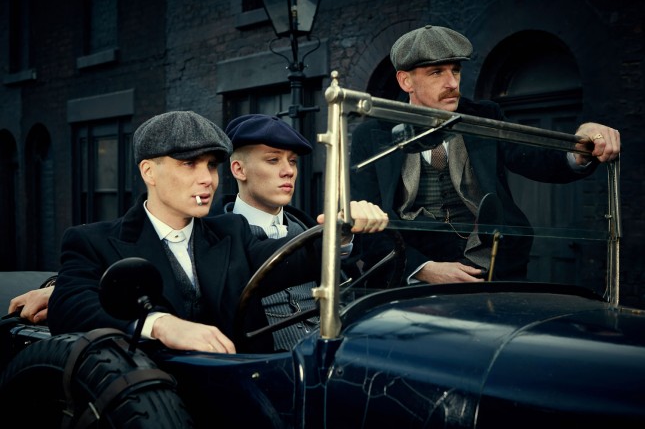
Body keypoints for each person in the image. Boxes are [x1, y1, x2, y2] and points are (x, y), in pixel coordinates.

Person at [45, 110, 388, 354]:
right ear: (149, 172)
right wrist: (160, 324)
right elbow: (69, 305)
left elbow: (287, 259)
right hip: (155, 403)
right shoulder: (93, 240)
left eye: (211, 165)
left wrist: (340, 232)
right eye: (189, 164)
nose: (207, 179)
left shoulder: (231, 232)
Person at [350, 25, 620, 286]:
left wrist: (579, 146)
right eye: (436, 73)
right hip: (409, 279)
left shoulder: (484, 117)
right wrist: (423, 269)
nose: (452, 83)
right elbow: (365, 222)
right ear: (406, 80)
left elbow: (536, 157)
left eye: (456, 70)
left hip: (490, 270)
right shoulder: (373, 133)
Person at [222, 113, 335, 351]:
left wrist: (344, 235)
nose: (289, 171)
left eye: (292, 161)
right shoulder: (215, 238)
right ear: (239, 169)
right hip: (265, 364)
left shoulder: (305, 227)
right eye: (273, 160)